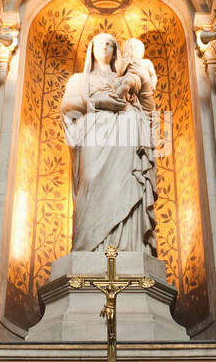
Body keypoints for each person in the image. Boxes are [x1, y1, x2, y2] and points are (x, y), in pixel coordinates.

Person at [60, 32, 158, 254]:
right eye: (99, 43)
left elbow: (148, 110)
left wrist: (141, 82)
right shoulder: (79, 80)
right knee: (91, 180)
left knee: (128, 184)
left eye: (109, 44)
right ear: (91, 49)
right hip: (93, 137)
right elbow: (68, 106)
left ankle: (128, 247)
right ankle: (88, 248)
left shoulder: (126, 76)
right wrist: (97, 101)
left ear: (116, 51)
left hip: (126, 138)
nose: (104, 48)